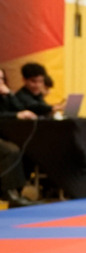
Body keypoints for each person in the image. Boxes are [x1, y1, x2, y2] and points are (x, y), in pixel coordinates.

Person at [0, 67, 39, 208]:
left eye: (2, 79)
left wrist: (10, 94)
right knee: (11, 151)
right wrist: (16, 116)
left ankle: (19, 192)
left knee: (26, 148)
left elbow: (20, 109)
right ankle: (9, 194)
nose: (1, 82)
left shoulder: (4, 96)